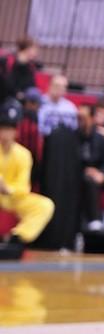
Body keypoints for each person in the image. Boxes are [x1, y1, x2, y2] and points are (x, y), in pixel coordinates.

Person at [0, 100, 54, 257]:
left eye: (9, 129)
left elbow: (24, 187)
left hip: (12, 197)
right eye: (3, 129)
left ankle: (16, 238)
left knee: (45, 205)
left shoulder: (23, 154)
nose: (5, 134)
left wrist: (8, 189)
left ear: (15, 132)